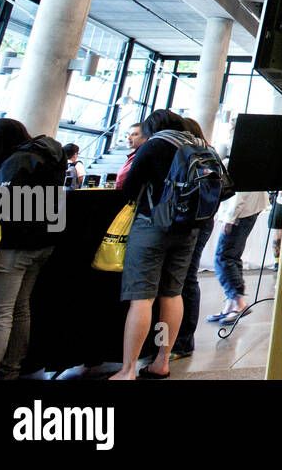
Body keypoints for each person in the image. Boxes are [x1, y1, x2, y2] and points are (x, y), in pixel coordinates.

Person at [0, 118, 66, 380]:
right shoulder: (51, 155)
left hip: (14, 246)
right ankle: (11, 368)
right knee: (20, 308)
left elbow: (2, 207)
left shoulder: (15, 162)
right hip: (42, 243)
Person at [111, 109, 208, 379]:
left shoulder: (154, 145)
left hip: (152, 225)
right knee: (172, 294)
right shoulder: (198, 145)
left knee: (141, 298)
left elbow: (129, 189)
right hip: (188, 228)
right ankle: (162, 360)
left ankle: (128, 369)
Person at [170, 117, 217, 362]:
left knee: (185, 278)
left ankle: (183, 340)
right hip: (200, 220)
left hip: (190, 221)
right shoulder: (208, 153)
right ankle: (180, 340)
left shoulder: (193, 154)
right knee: (185, 277)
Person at [207, 188, 269, 324]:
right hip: (247, 208)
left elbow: (240, 189)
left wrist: (230, 217)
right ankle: (231, 303)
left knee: (224, 258)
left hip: (241, 211)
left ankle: (238, 303)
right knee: (231, 256)